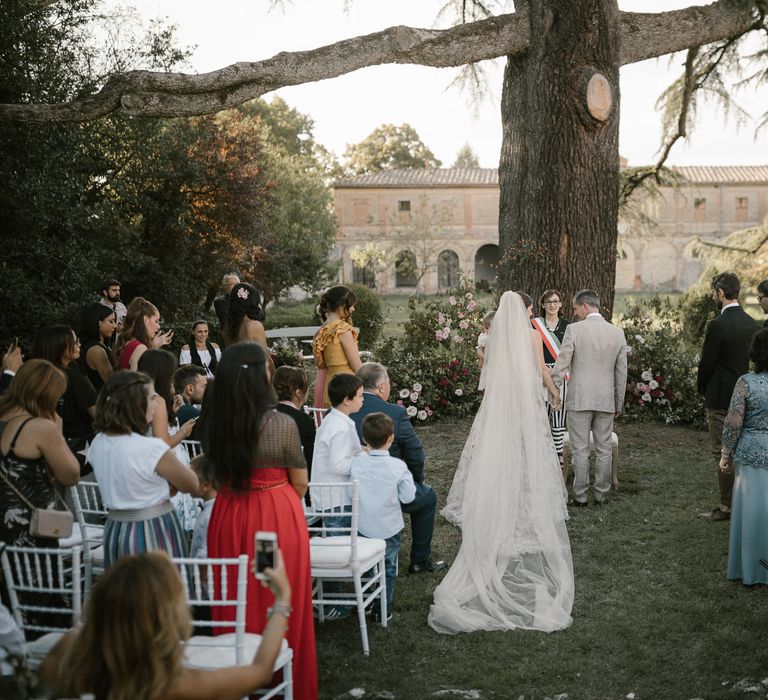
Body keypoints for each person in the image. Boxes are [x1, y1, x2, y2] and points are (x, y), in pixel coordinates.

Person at [429, 292, 574, 634]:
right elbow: (541, 371)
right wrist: (554, 394)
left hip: (500, 408)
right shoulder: (533, 335)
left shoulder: (495, 338)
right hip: (526, 407)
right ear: (524, 310)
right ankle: (524, 506)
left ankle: (500, 501)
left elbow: (489, 372)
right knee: (528, 456)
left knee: (498, 454)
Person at [199, 342, 317, 700]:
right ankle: (277, 673)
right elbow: (300, 483)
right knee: (271, 587)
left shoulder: (215, 424)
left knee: (236, 589)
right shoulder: (279, 423)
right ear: (259, 376)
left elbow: (214, 478)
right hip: (271, 520)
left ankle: (238, 671)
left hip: (228, 518)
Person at [38, 549, 293, 700]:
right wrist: (282, 597)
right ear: (167, 617)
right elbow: (260, 671)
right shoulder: (173, 685)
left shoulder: (67, 654)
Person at [87, 371, 198, 566]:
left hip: (115, 528)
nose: (155, 402)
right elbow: (191, 484)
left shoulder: (98, 442)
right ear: (135, 404)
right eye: (151, 397)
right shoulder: (149, 447)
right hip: (153, 527)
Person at [353, 362, 446, 574]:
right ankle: (419, 561)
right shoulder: (395, 412)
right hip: (389, 489)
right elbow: (414, 452)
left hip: (352, 490)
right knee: (428, 498)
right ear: (382, 387)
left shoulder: (343, 410)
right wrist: (416, 480)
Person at [550, 289, 626, 506]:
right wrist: (618, 402)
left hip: (579, 399)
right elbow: (621, 373)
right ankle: (601, 495)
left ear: (585, 305)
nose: (574, 313)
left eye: (575, 308)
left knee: (580, 449)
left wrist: (554, 392)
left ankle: (581, 496)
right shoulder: (617, 333)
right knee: (604, 449)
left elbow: (561, 365)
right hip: (605, 401)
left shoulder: (574, 331)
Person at [697, 272, 759, 521]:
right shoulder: (752, 323)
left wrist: (701, 388)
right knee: (741, 451)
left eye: (715, 293)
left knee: (721, 451)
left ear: (720, 294)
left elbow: (707, 364)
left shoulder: (717, 325)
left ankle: (727, 507)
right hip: (747, 395)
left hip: (721, 397)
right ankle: (743, 502)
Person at [0, 360, 80, 546]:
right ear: (47, 395)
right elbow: (71, 475)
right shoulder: (39, 427)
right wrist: (57, 431)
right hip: (28, 536)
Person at [350, 412, 416, 620]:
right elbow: (408, 497)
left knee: (365, 566)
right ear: (391, 439)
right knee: (387, 568)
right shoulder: (398, 466)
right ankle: (383, 610)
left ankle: (368, 602)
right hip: (389, 528)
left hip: (363, 526)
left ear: (365, 440)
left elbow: (350, 493)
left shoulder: (357, 463)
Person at [721, 329, 768, 585]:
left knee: (751, 511)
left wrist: (725, 453)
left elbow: (733, 424)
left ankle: (752, 570)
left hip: (750, 453)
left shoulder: (746, 382)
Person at [32, 325, 97, 464]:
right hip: (79, 450)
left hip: (45, 450)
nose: (78, 343)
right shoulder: (73, 377)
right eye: (74, 341)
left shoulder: (35, 378)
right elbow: (98, 414)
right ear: (60, 347)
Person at [312, 373, 364, 524]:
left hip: (333, 497)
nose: (363, 399)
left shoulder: (333, 420)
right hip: (337, 499)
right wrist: (362, 458)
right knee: (340, 543)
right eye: (360, 396)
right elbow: (339, 465)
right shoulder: (340, 428)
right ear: (347, 400)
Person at [533, 289, 571, 469]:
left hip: (561, 376)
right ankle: (541, 455)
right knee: (539, 415)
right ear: (542, 304)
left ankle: (558, 457)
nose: (552, 305)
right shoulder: (534, 326)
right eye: (548, 301)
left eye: (556, 301)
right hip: (539, 375)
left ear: (561, 304)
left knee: (558, 415)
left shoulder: (568, 326)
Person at [313, 285, 362, 408]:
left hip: (328, 387)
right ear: (341, 306)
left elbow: (320, 365)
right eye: (351, 305)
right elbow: (357, 367)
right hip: (347, 387)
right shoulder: (342, 330)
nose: (353, 309)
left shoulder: (319, 332)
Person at [221, 283, 274, 378]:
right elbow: (266, 358)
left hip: (230, 374)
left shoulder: (227, 326)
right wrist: (274, 377)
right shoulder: (254, 325)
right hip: (249, 378)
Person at [274, 365, 316, 480]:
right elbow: (309, 459)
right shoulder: (303, 421)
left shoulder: (265, 414)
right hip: (295, 482)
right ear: (298, 392)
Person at [116, 297, 174, 371]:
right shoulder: (140, 348)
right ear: (146, 320)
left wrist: (153, 347)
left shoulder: (129, 342)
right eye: (156, 321)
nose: (158, 326)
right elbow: (140, 380)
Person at [79, 303, 117, 391]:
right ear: (99, 322)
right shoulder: (96, 351)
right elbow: (113, 383)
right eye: (111, 321)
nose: (115, 326)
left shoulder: (102, 345)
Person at [189, 455, 216, 559]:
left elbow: (204, 555)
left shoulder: (210, 516)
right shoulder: (207, 510)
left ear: (206, 485)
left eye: (190, 479)